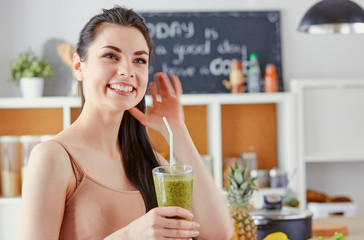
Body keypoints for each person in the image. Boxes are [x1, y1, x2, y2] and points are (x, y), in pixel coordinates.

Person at [20, 6, 233, 240]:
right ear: (79, 66)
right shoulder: (53, 158)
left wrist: (177, 130)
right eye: (111, 56)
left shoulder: (148, 161)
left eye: (139, 60)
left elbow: (218, 233)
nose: (127, 70)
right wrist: (130, 235)